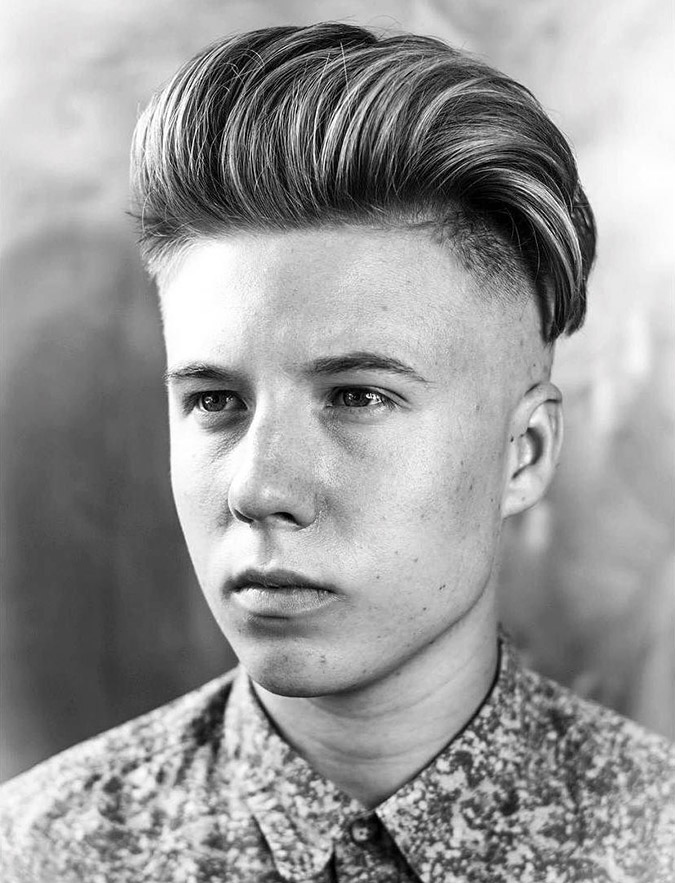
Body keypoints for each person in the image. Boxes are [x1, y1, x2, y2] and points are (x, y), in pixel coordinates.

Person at [0, 21, 673, 883]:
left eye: (357, 396)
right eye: (214, 401)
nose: (258, 486)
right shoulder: (39, 856)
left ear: (525, 451)